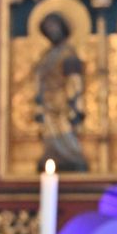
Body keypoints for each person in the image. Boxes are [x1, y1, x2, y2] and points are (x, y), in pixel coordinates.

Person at [34, 11, 88, 171]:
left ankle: (70, 156)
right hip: (47, 100)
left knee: (64, 128)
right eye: (48, 28)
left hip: (62, 100)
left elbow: (74, 80)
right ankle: (53, 155)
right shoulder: (46, 55)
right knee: (50, 131)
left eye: (54, 27)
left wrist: (74, 102)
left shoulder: (68, 53)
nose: (52, 31)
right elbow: (40, 78)